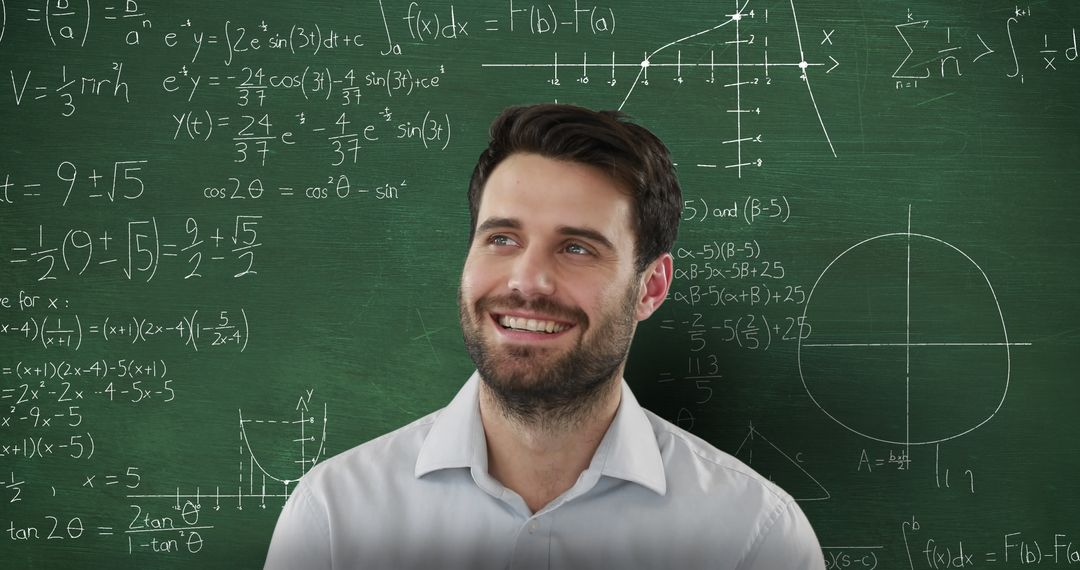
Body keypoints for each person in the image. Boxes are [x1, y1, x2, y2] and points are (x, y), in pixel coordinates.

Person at [264, 103, 825, 569]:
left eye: (577, 247)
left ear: (651, 287)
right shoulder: (334, 519)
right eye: (502, 239)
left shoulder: (754, 537)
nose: (527, 280)